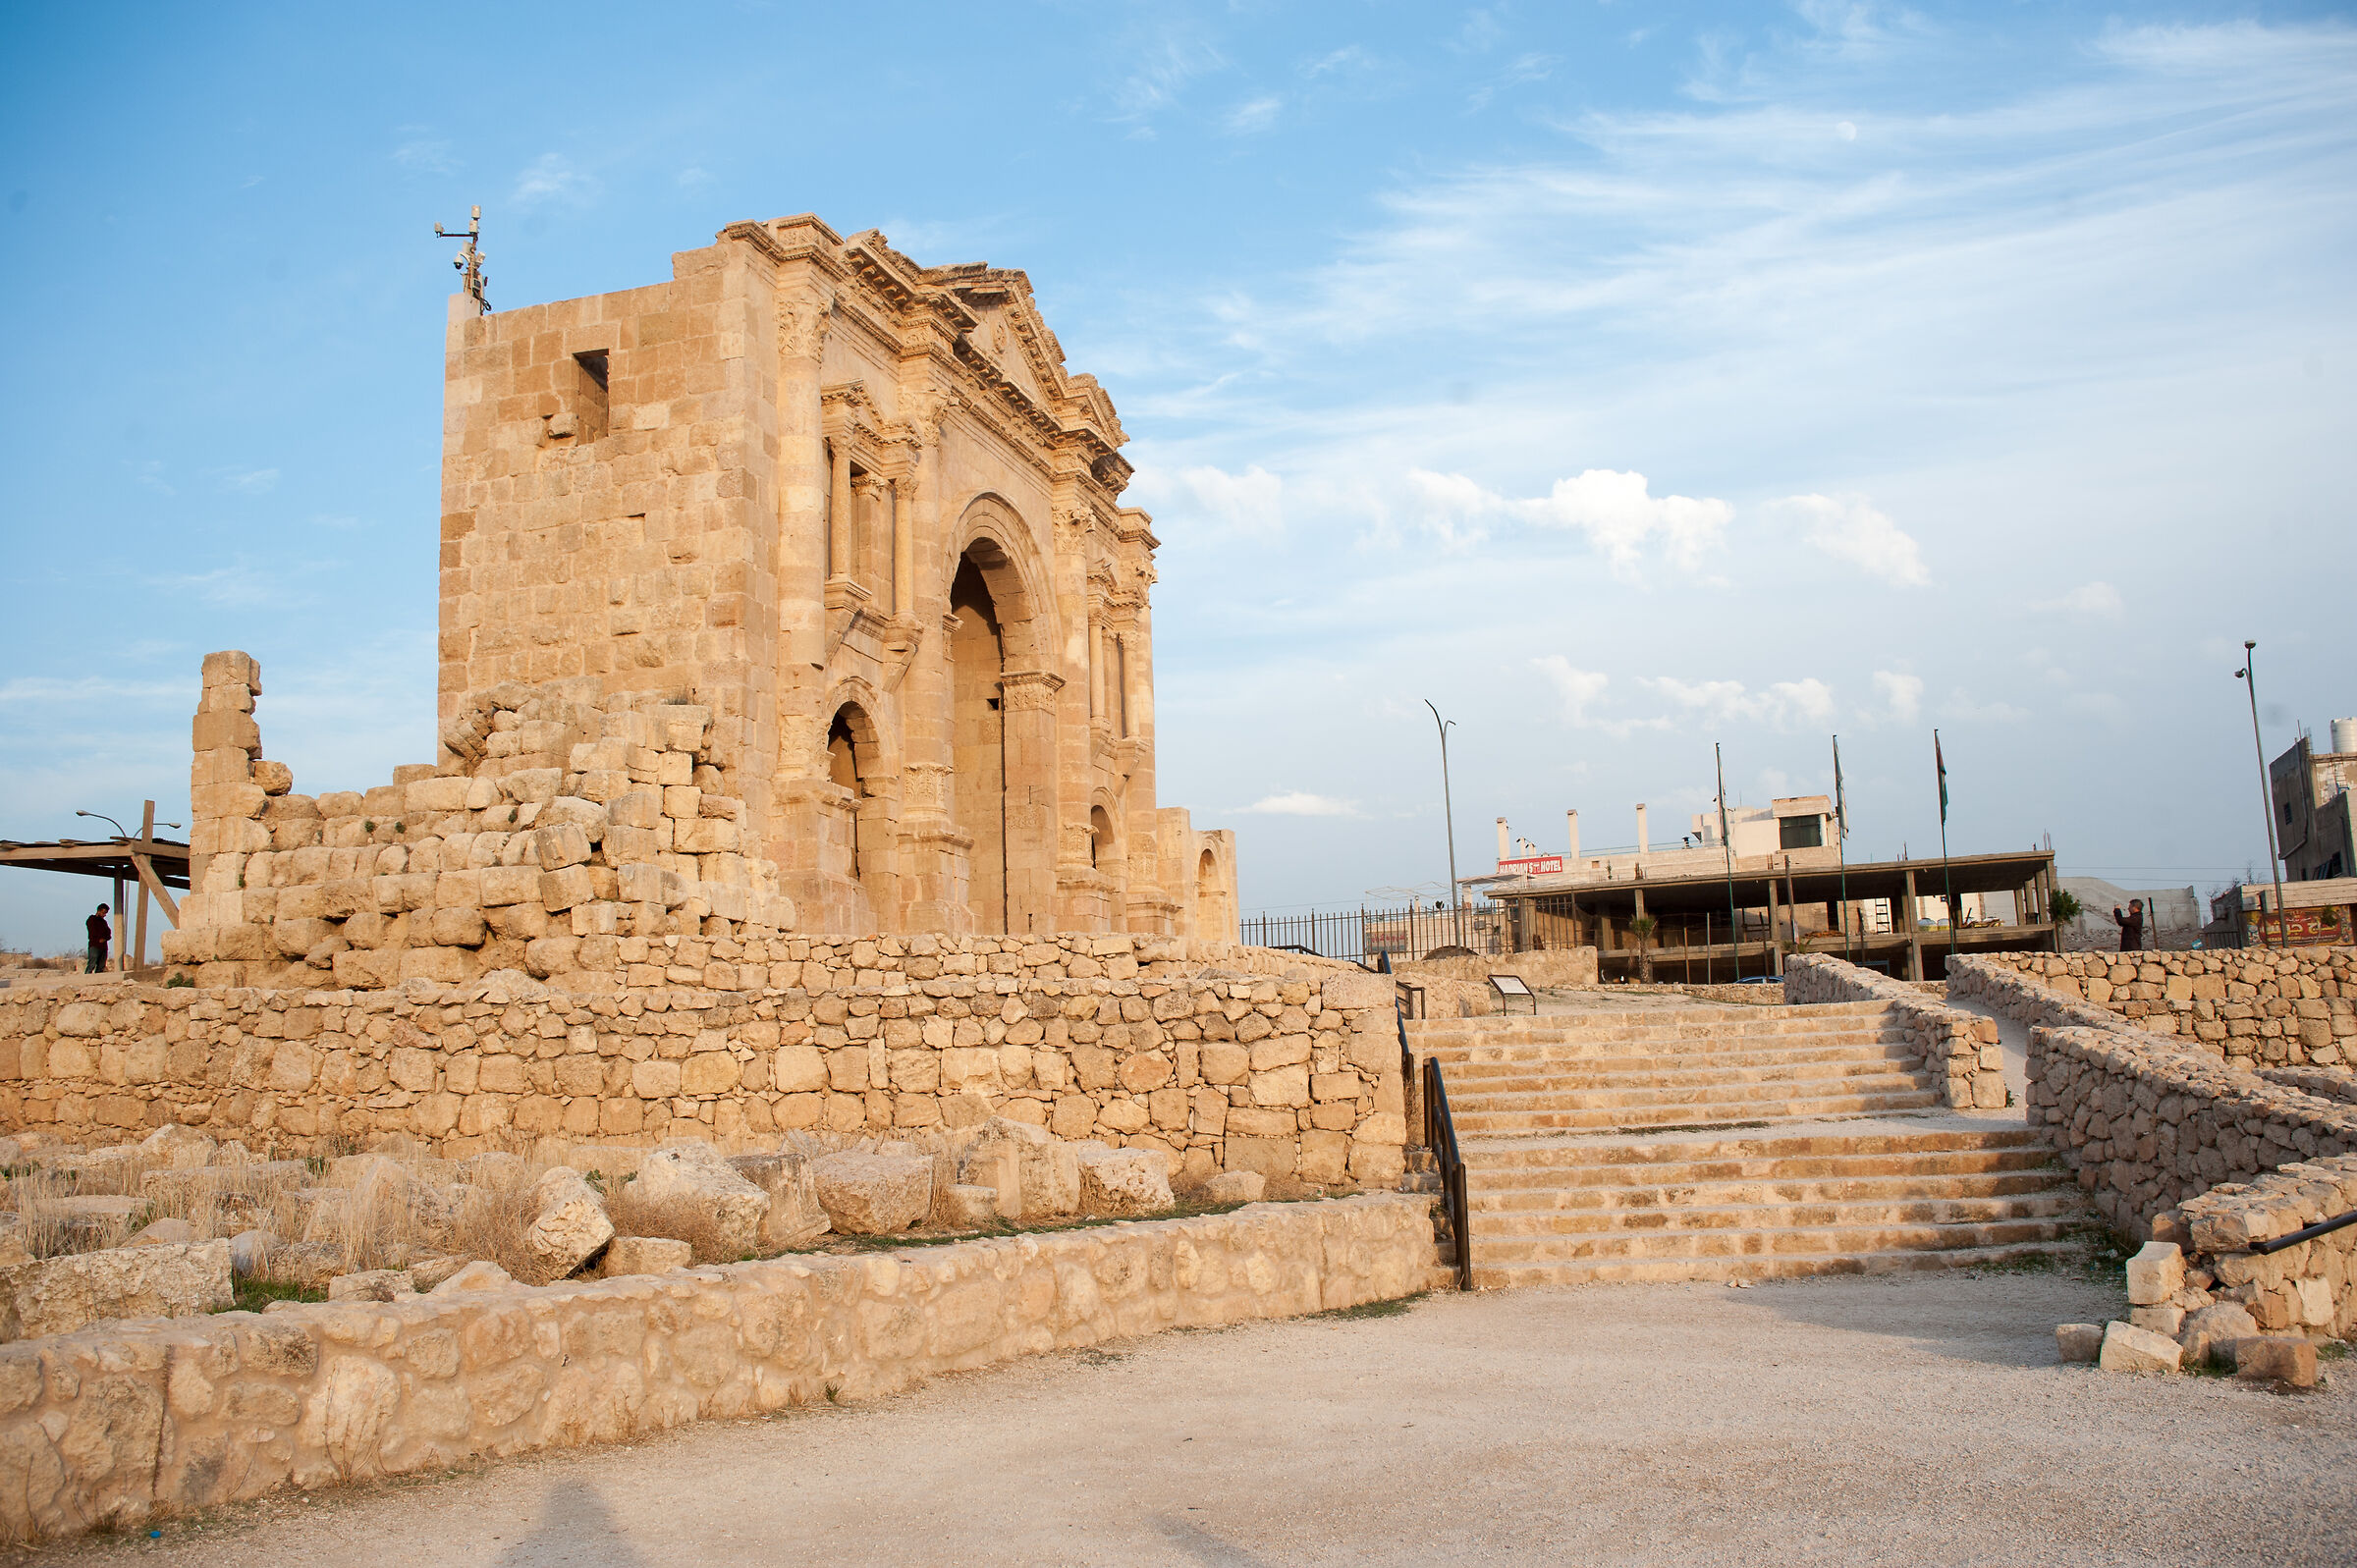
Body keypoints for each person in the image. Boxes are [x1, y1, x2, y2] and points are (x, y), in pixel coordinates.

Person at [84, 903, 111, 974]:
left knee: (101, 966)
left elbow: (108, 933)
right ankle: (86, 980)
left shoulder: (104, 922)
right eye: (103, 913)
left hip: (103, 947)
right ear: (99, 911)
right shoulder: (92, 919)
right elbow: (92, 931)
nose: (104, 915)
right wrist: (98, 939)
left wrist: (104, 938)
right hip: (94, 945)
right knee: (92, 964)